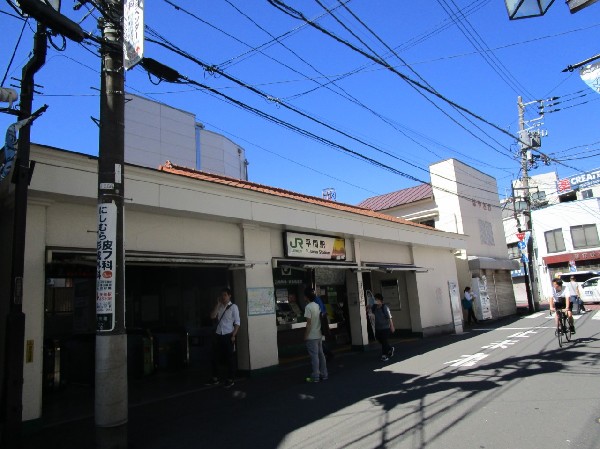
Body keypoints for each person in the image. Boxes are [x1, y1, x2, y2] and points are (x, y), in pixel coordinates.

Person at [207, 288, 240, 388]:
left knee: (229, 358)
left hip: (228, 335)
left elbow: (237, 323)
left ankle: (231, 379)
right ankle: (215, 378)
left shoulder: (233, 307)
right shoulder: (220, 306)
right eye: (222, 295)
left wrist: (233, 335)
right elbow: (212, 316)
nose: (223, 297)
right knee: (214, 357)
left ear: (229, 296)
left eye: (225, 295)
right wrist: (217, 304)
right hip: (218, 335)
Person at [303, 288, 328, 383]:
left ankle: (316, 376)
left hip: (311, 336)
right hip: (318, 334)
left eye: (304, 295)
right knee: (321, 355)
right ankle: (324, 374)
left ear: (307, 297)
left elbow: (308, 324)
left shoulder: (308, 307)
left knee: (314, 356)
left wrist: (305, 335)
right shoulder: (317, 305)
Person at [370, 293, 395, 361]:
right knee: (380, 340)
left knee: (384, 341)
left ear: (381, 301)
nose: (375, 301)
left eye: (377, 300)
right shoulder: (374, 307)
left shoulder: (385, 308)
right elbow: (370, 311)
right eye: (375, 299)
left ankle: (384, 355)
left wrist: (392, 326)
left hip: (385, 328)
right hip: (377, 328)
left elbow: (390, 318)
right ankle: (390, 349)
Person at [313, 292, 334, 361]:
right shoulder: (318, 299)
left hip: (319, 324)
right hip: (321, 323)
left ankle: (328, 353)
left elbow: (319, 312)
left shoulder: (315, 301)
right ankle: (326, 354)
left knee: (318, 342)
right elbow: (323, 310)